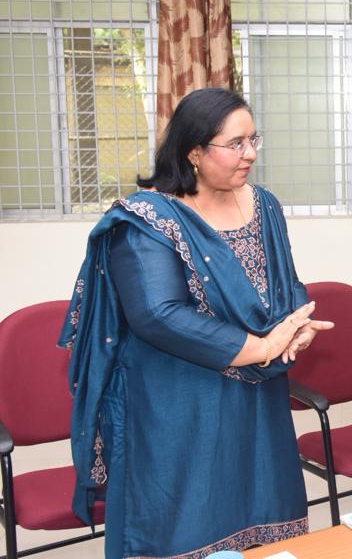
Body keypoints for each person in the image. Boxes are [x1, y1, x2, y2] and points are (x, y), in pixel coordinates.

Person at [58, 88, 333, 557]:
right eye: (235, 143)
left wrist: (298, 325)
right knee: (183, 519)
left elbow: (284, 282)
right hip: (177, 402)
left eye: (253, 140)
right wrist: (263, 347)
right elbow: (159, 316)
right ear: (195, 152)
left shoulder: (262, 203)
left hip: (257, 398)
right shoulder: (146, 219)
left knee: (264, 507)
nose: (249, 154)